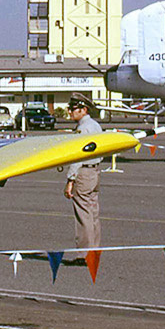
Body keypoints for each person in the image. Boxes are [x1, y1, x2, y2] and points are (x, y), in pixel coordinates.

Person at [63, 95, 103, 250]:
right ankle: (94, 250)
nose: (70, 112)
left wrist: (70, 180)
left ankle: (84, 254)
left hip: (84, 172)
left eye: (73, 109)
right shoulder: (95, 125)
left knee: (83, 215)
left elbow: (79, 155)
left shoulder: (83, 128)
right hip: (95, 171)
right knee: (93, 213)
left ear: (83, 109)